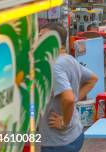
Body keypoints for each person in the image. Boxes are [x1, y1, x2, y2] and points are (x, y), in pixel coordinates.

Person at [40, 23, 97, 152]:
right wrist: (76, 98)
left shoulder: (55, 66)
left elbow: (69, 99)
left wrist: (64, 122)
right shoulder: (69, 59)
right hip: (75, 133)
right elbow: (92, 79)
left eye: (41, 37)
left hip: (58, 142)